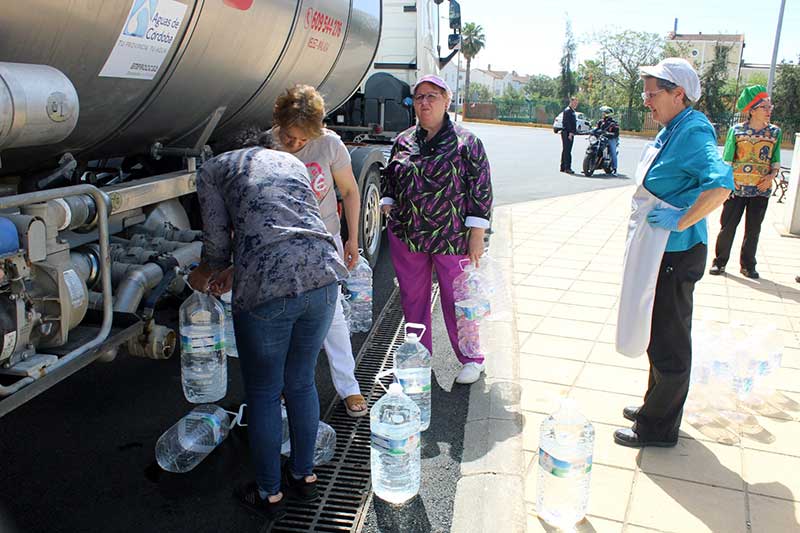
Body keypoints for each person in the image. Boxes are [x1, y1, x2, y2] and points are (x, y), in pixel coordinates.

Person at [188, 129, 347, 520]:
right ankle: (304, 476)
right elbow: (287, 226)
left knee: (262, 392)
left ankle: (269, 494)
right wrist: (236, 268)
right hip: (324, 276)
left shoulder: (213, 168)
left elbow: (216, 245)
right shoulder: (291, 162)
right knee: (302, 380)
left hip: (269, 289)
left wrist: (201, 276)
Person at [614, 58, 734, 448]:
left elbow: (720, 185)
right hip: (660, 252)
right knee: (657, 333)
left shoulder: (694, 130)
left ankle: (658, 428)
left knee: (670, 340)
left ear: (677, 94)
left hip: (676, 254)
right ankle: (655, 406)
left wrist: (681, 220)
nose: (646, 101)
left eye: (652, 93)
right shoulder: (673, 128)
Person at [381, 74, 493, 385]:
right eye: (419, 97)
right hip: (409, 236)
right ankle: (419, 357)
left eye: (432, 96)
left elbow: (481, 190)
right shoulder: (404, 140)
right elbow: (390, 176)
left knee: (459, 301)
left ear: (446, 100)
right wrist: (389, 203)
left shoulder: (466, 142)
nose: (425, 102)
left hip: (452, 237)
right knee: (412, 299)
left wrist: (477, 235)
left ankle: (472, 357)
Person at [269, 84, 368, 418]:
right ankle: (287, 387)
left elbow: (350, 192)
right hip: (281, 246)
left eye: (302, 140)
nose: (295, 145)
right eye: (289, 138)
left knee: (332, 316)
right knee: (285, 318)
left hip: (324, 242)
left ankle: (349, 385)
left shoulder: (329, 145)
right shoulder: (267, 144)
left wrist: (352, 239)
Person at [709, 85, 782, 280]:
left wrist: (771, 177)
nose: (769, 111)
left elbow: (775, 160)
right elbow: (727, 160)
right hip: (736, 189)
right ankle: (720, 262)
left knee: (753, 229)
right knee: (727, 226)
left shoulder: (775, 133)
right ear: (752, 110)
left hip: (760, 190)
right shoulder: (737, 131)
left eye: (770, 107)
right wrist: (728, 184)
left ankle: (748, 265)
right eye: (765, 107)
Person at [596, 106, 620, 174]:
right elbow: (596, 129)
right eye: (603, 113)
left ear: (608, 113)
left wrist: (609, 134)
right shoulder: (600, 121)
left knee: (613, 152)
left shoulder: (614, 123)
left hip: (611, 139)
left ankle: (615, 169)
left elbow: (616, 133)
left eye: (604, 113)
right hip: (601, 138)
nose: (602, 114)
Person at [560, 96, 579, 174]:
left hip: (569, 132)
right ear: (571, 102)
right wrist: (570, 133)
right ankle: (567, 168)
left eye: (576, 103)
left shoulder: (571, 111)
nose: (576, 104)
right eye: (574, 103)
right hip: (567, 133)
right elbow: (567, 123)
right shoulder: (568, 111)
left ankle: (563, 166)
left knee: (566, 150)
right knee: (567, 150)